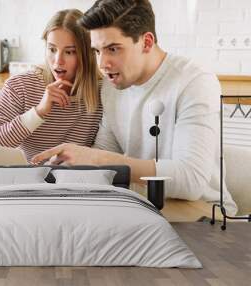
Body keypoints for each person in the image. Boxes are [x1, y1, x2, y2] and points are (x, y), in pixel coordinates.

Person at [31, 0, 237, 215]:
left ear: (146, 42)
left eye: (113, 49)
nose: (102, 64)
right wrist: (60, 173)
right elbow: (104, 154)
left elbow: (191, 180)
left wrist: (98, 159)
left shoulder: (194, 81)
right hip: (146, 210)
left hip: (203, 216)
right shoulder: (113, 87)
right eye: (97, 51)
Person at [0, 9, 102, 161]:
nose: (57, 61)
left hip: (77, 181)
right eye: (52, 49)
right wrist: (38, 113)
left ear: (87, 54)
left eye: (69, 52)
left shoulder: (102, 92)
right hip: (28, 180)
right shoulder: (20, 86)